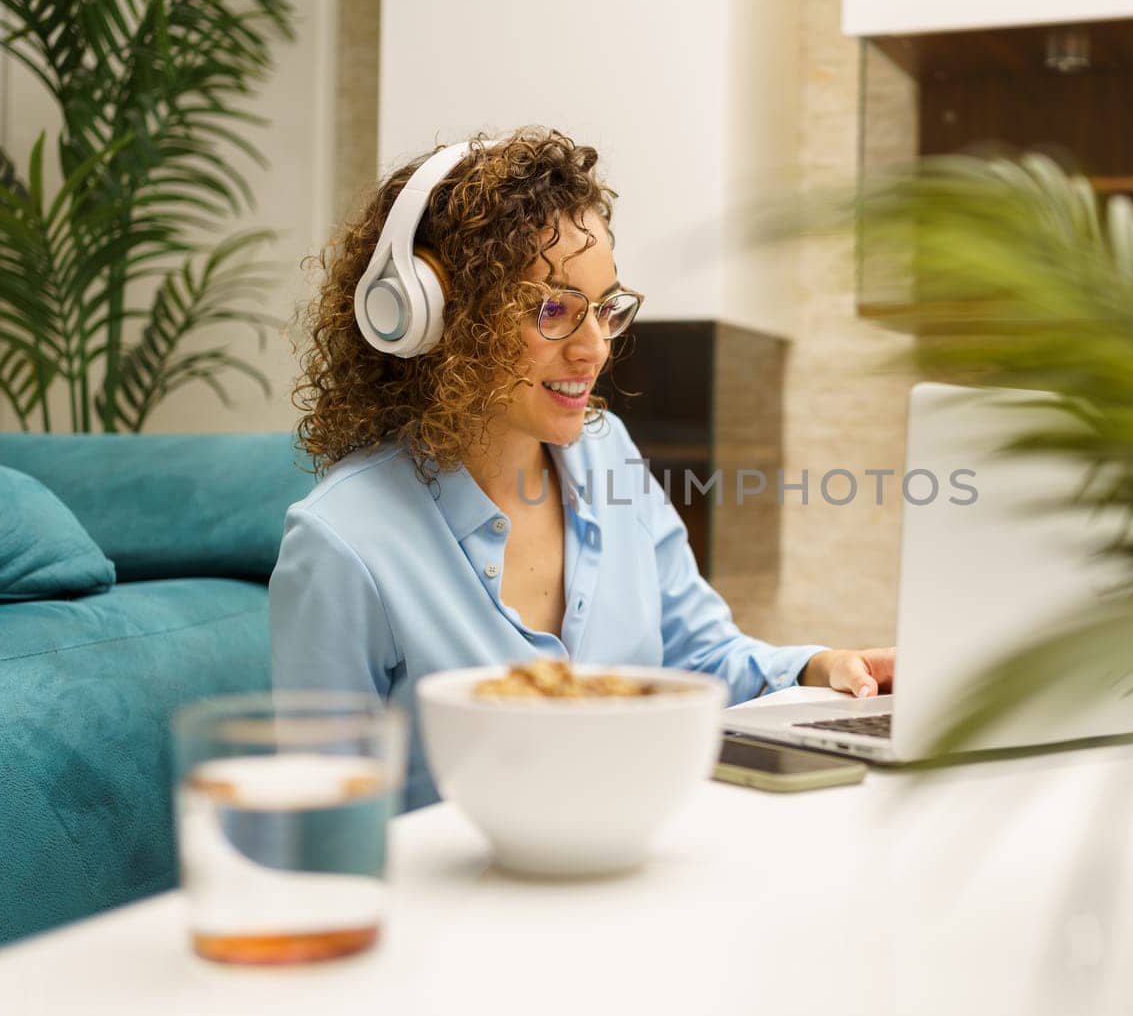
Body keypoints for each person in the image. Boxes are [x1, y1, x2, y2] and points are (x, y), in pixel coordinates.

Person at [272, 127, 894, 809]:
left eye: (604, 309)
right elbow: (324, 826)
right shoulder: (342, 545)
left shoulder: (608, 451)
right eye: (554, 309)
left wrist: (822, 667)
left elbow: (699, 655)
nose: (595, 347)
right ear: (441, 318)